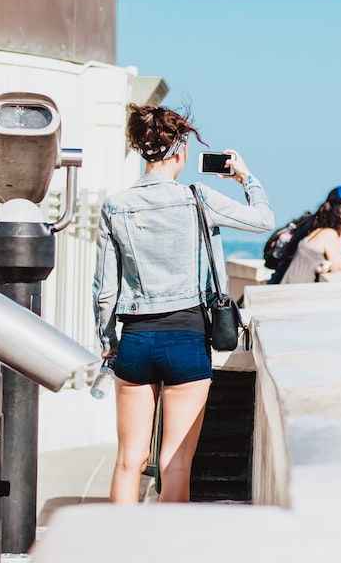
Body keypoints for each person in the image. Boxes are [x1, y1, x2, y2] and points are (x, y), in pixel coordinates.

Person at [93, 103, 273, 503]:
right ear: (181, 151)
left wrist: (107, 340)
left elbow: (105, 289)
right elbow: (263, 219)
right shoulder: (198, 198)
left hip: (136, 340)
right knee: (175, 466)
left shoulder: (115, 205)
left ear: (142, 151)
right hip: (187, 339)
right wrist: (245, 176)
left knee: (129, 461)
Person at [278, 185, 341, 284]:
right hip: (296, 292)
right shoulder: (329, 234)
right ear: (335, 206)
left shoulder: (318, 230)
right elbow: (337, 266)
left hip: (290, 287)